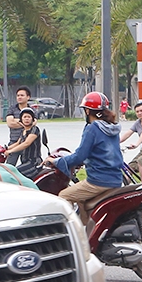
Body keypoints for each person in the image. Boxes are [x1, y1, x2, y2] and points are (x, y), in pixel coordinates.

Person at [46, 91, 123, 227]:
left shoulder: (92, 128)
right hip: (116, 178)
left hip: (98, 180)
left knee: (64, 196)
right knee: (79, 197)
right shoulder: (112, 127)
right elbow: (98, 152)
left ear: (87, 111)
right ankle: (87, 228)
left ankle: (71, 235)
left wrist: (56, 161)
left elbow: (80, 155)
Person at [4, 107, 42, 179]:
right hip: (25, 161)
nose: (27, 119)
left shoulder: (34, 129)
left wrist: (10, 151)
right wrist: (4, 149)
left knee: (14, 174)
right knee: (9, 171)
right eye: (24, 117)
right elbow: (18, 143)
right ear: (21, 119)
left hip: (33, 162)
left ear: (32, 119)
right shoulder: (23, 131)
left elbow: (26, 143)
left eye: (29, 117)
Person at [4, 86, 34, 166]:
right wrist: (24, 122)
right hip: (14, 141)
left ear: (28, 97)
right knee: (9, 166)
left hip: (28, 142)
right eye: (18, 95)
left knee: (26, 167)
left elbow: (33, 124)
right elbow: (10, 123)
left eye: (22, 95)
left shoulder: (32, 110)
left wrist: (16, 121)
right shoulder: (12, 109)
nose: (19, 97)